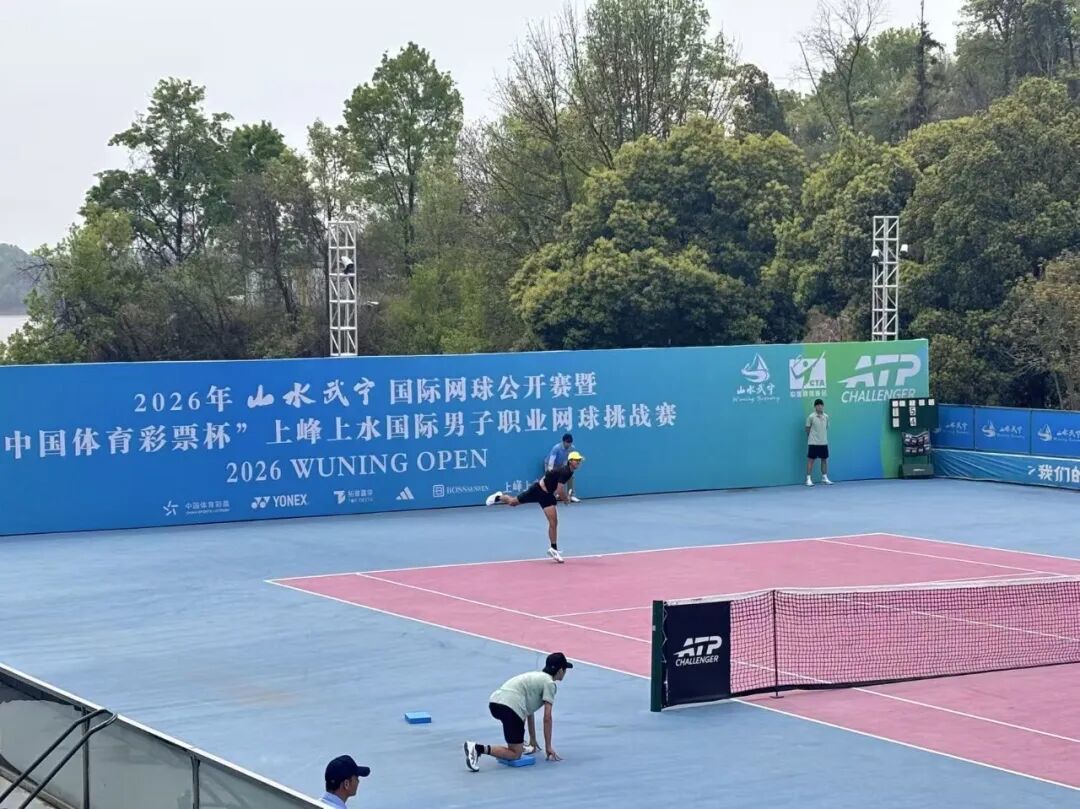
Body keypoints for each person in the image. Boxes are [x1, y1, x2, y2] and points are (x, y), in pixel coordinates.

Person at [464, 652, 573, 772]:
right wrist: (548, 747)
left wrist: (533, 739)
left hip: (495, 703)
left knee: (516, 736)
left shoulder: (536, 676)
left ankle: (516, 745)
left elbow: (529, 710)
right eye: (565, 669)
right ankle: (477, 748)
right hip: (510, 708)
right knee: (515, 754)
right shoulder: (549, 684)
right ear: (560, 671)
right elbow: (547, 718)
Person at [484, 452, 585, 563]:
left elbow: (556, 487)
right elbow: (560, 490)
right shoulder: (565, 471)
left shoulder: (570, 472)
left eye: (579, 460)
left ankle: (553, 549)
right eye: (576, 460)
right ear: (570, 461)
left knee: (554, 522)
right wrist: (565, 499)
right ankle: (499, 496)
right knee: (513, 502)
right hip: (537, 490)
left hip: (547, 496)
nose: (578, 462)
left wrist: (560, 496)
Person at [545, 433, 581, 503]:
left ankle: (572, 496)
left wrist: (568, 471)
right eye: (567, 442)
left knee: (571, 476)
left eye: (570, 442)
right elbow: (551, 462)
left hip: (561, 465)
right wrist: (551, 472)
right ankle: (551, 496)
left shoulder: (572, 448)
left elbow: (570, 460)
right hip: (550, 464)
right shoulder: (556, 448)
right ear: (563, 441)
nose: (569, 444)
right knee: (552, 478)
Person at [805, 398, 833, 486]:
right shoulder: (811, 417)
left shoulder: (826, 416)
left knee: (824, 460)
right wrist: (812, 438)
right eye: (818, 405)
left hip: (823, 442)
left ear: (823, 406)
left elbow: (826, 428)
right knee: (811, 460)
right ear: (815, 407)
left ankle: (824, 478)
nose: (820, 406)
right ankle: (808, 479)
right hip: (813, 443)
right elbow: (807, 429)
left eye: (821, 405)